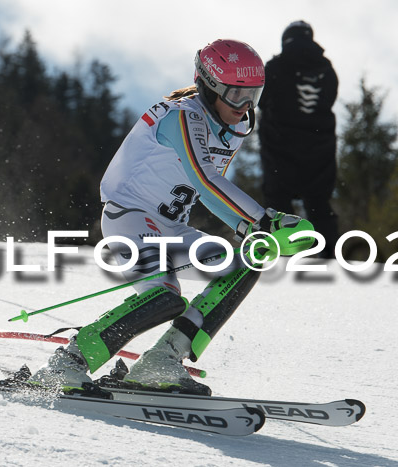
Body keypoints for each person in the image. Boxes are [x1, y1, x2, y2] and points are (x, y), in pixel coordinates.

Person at [30, 39, 313, 396]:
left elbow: (211, 189)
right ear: (208, 86)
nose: (244, 107)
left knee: (246, 263)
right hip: (130, 218)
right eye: (235, 95)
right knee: (166, 297)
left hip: (170, 227)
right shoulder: (183, 116)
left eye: (253, 97)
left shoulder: (231, 125)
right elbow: (204, 179)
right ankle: (66, 364)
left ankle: (163, 360)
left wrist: (256, 232)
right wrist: (263, 221)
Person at [258, 20, 339, 258]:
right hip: (320, 149)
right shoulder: (326, 68)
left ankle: (284, 255)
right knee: (319, 204)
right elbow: (329, 99)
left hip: (279, 148)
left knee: (278, 204)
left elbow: (260, 100)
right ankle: (329, 257)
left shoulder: (275, 66)